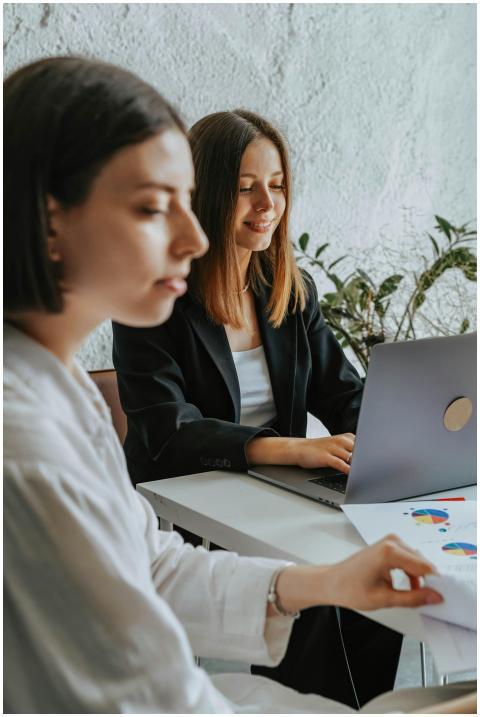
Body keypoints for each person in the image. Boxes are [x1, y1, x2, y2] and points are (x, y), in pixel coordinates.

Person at [4, 56, 475, 715]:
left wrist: (324, 580)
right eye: (152, 206)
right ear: (50, 220)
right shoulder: (22, 445)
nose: (194, 234)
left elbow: (155, 568)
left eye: (187, 201)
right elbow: (142, 696)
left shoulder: (60, 391)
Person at [111, 110, 398, 706]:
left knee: (374, 560)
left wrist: (398, 434)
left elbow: (342, 392)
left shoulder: (286, 289)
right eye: (245, 188)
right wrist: (286, 448)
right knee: (318, 575)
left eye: (277, 184)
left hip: (279, 490)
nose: (267, 203)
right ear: (207, 193)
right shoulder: (154, 294)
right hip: (188, 498)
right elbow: (167, 430)